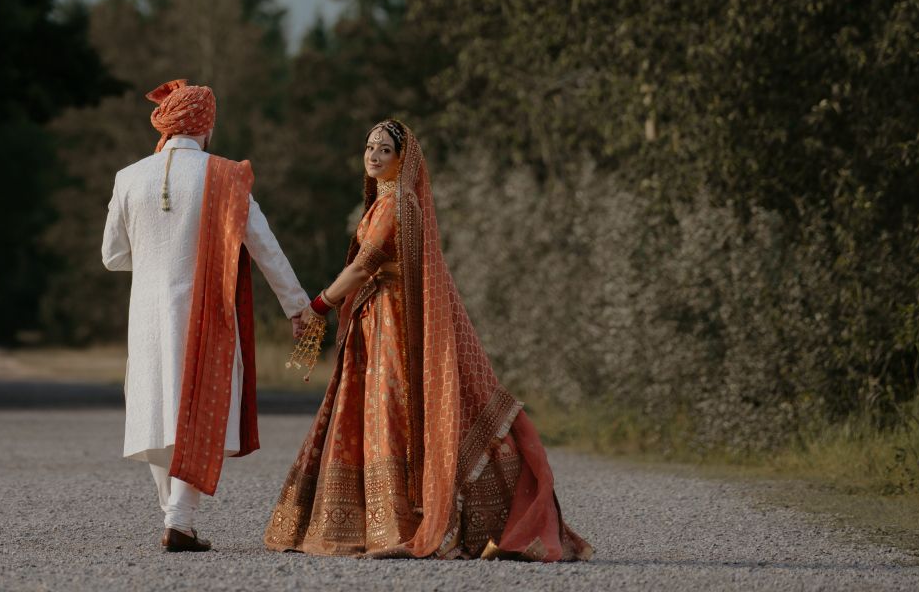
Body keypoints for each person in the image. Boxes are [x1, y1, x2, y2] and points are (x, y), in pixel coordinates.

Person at [264, 119, 595, 562]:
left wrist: (317, 306)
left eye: (384, 149)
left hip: (393, 324)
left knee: (391, 413)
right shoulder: (385, 201)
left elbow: (364, 267)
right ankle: (377, 524)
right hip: (376, 319)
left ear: (403, 159)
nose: (374, 156)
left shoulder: (397, 204)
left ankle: (404, 524)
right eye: (369, 148)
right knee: (376, 414)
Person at [102, 78, 317, 553]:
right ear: (207, 126)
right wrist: (297, 305)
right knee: (197, 407)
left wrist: (159, 259)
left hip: (148, 316)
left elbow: (112, 256)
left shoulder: (128, 176)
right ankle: (179, 518)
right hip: (205, 313)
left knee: (159, 408)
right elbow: (264, 247)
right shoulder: (224, 175)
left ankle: (176, 518)